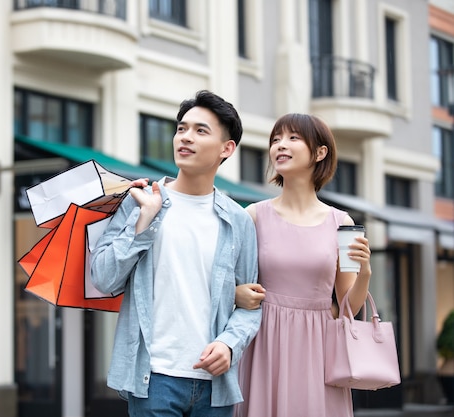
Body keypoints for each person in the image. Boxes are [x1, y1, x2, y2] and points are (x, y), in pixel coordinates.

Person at [91, 90, 262, 417]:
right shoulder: (140, 200)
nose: (185, 137)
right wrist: (144, 222)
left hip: (214, 385)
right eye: (182, 128)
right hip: (153, 378)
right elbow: (104, 278)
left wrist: (229, 344)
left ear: (227, 149)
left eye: (201, 130)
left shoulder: (237, 220)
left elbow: (252, 303)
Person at [233, 113, 372, 417]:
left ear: (320, 152)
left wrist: (365, 275)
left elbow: (348, 308)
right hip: (264, 342)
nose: (280, 145)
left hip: (318, 348)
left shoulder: (344, 224)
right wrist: (235, 293)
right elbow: (227, 280)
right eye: (276, 139)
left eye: (293, 138)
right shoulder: (253, 216)